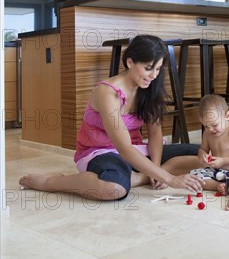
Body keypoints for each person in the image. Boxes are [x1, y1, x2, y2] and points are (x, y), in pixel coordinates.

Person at [19, 35, 203, 201]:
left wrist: (156, 169)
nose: (154, 76)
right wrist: (169, 178)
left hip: (136, 151)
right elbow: (123, 148)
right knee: (113, 189)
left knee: (205, 155)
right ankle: (55, 181)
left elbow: (155, 134)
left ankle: (141, 175)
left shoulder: (148, 88)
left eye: (157, 69)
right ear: (130, 62)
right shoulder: (107, 92)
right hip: (101, 152)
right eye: (148, 68)